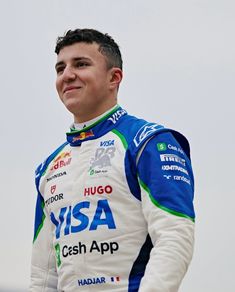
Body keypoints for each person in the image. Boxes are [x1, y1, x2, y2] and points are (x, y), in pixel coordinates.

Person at [30, 28, 195, 292]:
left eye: (81, 64)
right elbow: (43, 275)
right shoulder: (48, 167)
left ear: (114, 77)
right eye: (60, 69)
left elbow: (175, 237)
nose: (67, 74)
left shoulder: (149, 142)